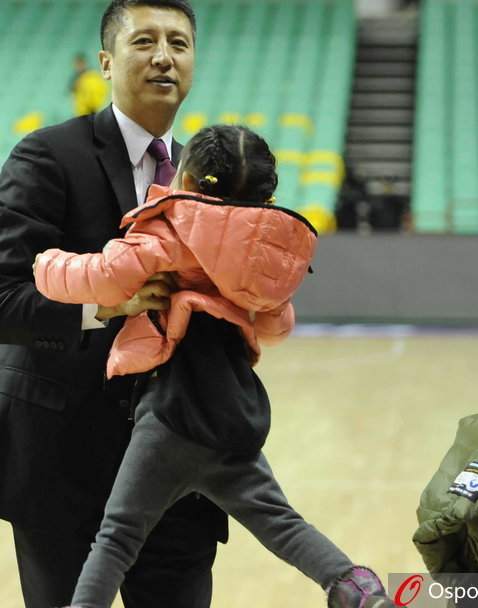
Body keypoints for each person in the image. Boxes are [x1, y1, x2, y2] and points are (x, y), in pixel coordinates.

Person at [34, 124, 395, 608]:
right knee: (283, 523)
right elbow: (276, 327)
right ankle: (356, 588)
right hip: (231, 414)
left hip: (171, 418)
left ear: (186, 179)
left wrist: (46, 265)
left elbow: (102, 277)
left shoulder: (169, 229)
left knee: (117, 537)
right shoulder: (266, 257)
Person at [0, 0, 227, 608]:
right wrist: (106, 305)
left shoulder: (206, 176)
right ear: (106, 61)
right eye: (144, 41)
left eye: (179, 43)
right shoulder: (48, 154)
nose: (164, 56)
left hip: (177, 469)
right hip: (60, 464)